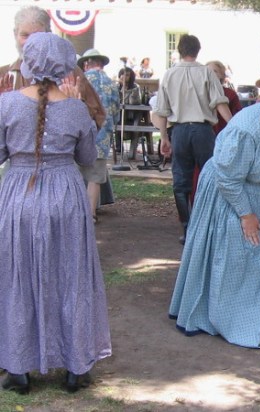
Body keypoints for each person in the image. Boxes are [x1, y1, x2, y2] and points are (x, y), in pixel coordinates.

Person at [0, 32, 111, 395]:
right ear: (66, 65)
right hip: (65, 197)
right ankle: (75, 368)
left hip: (19, 195)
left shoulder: (7, 104)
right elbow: (87, 160)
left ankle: (17, 368)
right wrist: (80, 112)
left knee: (17, 277)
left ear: (28, 63)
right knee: (71, 278)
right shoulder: (76, 108)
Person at [168, 79, 260, 349]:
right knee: (239, 253)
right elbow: (229, 177)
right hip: (229, 190)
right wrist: (246, 215)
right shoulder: (245, 129)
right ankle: (234, 315)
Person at [0, 6, 105, 181]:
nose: (31, 43)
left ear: (49, 35)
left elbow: (98, 115)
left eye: (38, 36)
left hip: (62, 172)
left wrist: (73, 108)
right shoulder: (4, 75)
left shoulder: (71, 73)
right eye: (25, 35)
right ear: (15, 35)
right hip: (18, 174)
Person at [152, 34, 232, 245]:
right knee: (211, 177)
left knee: (181, 182)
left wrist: (163, 137)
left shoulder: (169, 74)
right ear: (198, 50)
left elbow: (161, 110)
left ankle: (188, 229)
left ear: (179, 50)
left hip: (179, 131)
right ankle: (208, 226)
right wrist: (233, 126)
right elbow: (219, 103)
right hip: (203, 130)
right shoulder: (206, 72)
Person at [78, 49, 120, 223]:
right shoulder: (111, 83)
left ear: (87, 63)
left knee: (79, 173)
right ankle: (91, 214)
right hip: (103, 135)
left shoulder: (82, 81)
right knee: (95, 176)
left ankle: (78, 212)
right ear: (101, 64)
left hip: (81, 133)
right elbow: (116, 111)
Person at [206, 60, 242, 135]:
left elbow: (237, 115)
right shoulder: (200, 93)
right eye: (208, 71)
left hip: (224, 133)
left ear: (222, 75)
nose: (210, 74)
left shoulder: (230, 94)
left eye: (214, 71)